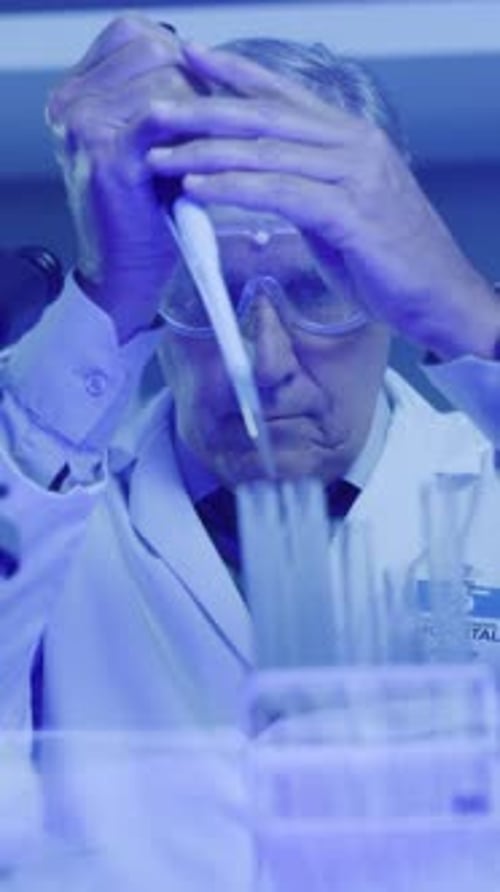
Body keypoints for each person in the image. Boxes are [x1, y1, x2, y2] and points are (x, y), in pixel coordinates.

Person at [1, 13, 500, 887]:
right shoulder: (47, 502)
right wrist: (102, 295)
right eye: (206, 295)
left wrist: (466, 312)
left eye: (317, 290)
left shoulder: (480, 486)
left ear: (388, 280)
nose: (265, 363)